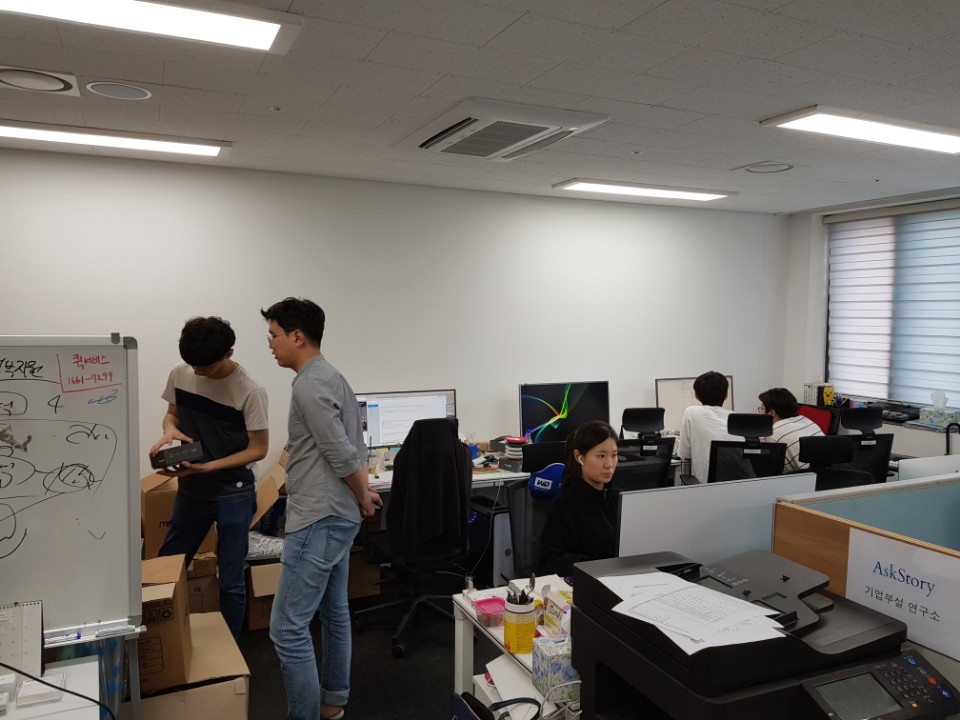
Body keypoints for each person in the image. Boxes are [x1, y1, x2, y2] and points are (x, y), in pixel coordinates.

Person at [262, 297, 381, 720]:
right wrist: (360, 492)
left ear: (297, 336)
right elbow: (355, 446)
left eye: (274, 336)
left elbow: (339, 450)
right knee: (333, 613)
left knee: (287, 629)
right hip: (335, 514)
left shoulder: (310, 384)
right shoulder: (332, 376)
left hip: (319, 517)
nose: (270, 344)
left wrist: (362, 494)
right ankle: (332, 703)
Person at [150, 316, 269, 639]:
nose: (199, 372)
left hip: (234, 491)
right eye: (194, 366)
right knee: (167, 566)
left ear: (229, 353)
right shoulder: (181, 372)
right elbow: (172, 414)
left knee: (230, 580)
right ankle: (164, 641)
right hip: (192, 488)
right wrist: (169, 430)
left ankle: (231, 648)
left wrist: (211, 467)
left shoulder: (250, 390)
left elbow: (259, 449)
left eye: (206, 367)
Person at [537, 420, 620, 578]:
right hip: (587, 583)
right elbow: (551, 562)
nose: (609, 464)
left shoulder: (618, 499)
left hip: (624, 580)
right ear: (579, 457)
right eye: (601, 456)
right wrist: (588, 567)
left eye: (614, 455)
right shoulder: (565, 503)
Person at [676, 371, 735, 481]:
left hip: (707, 487)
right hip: (740, 484)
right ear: (726, 395)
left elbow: (684, 454)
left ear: (696, 396)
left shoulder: (691, 412)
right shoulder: (736, 418)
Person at [759, 387, 824, 472]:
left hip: (806, 477)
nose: (760, 413)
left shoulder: (774, 432)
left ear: (772, 413)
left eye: (762, 409)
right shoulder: (805, 420)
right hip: (829, 473)